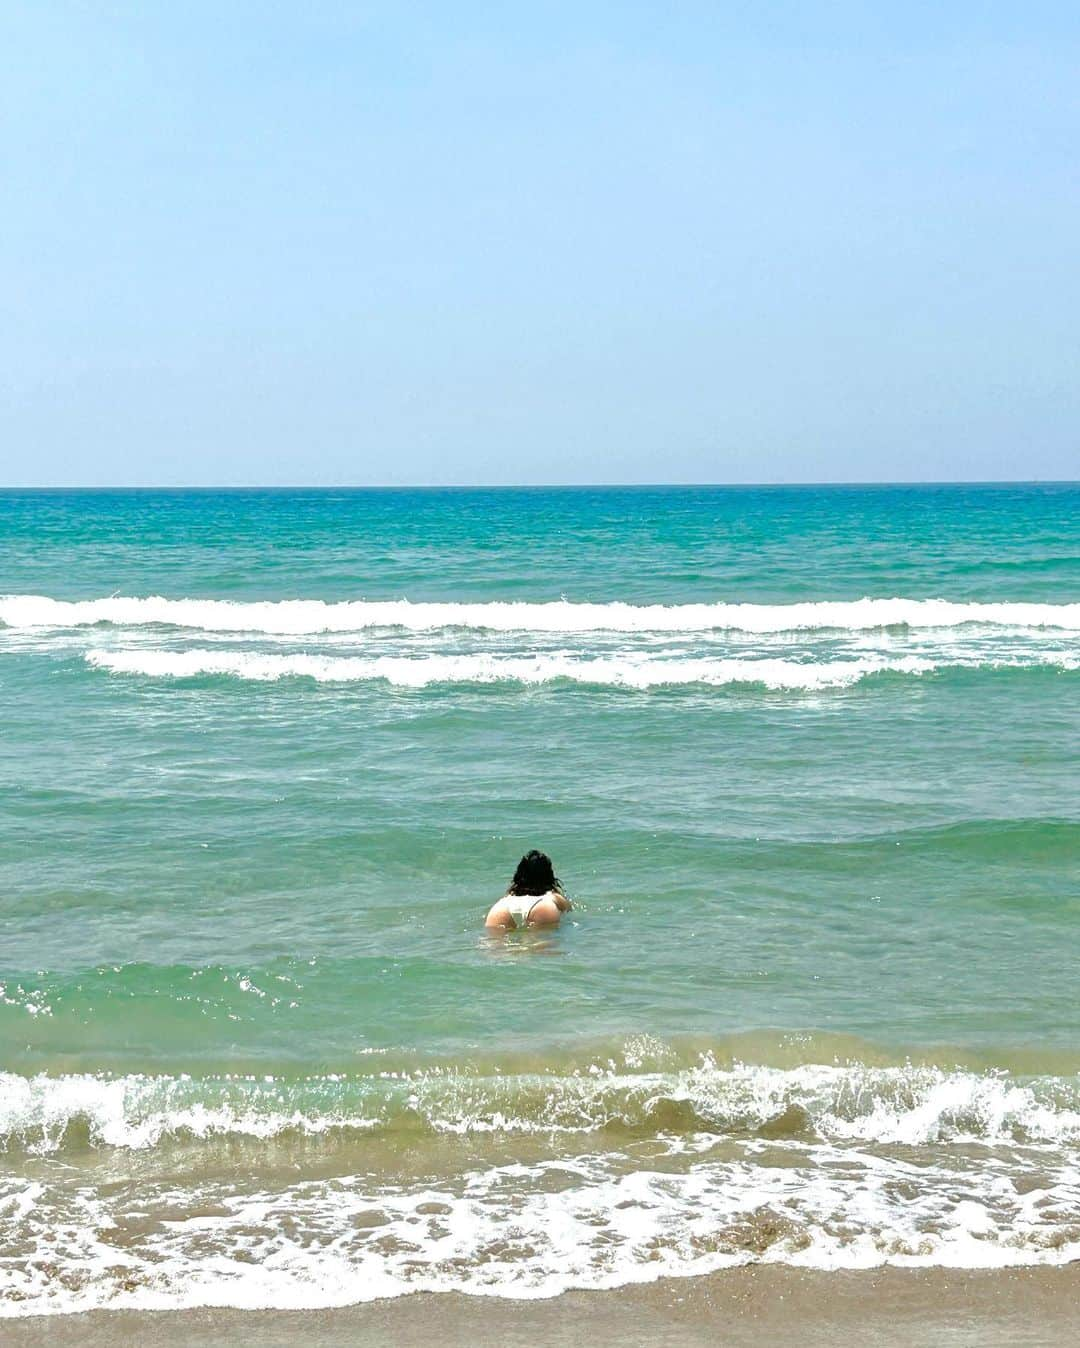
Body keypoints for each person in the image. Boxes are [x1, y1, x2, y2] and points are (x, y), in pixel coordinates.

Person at [484, 850, 572, 930]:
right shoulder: (552, 896)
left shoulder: (507, 897)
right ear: (549, 874)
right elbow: (568, 911)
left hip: (501, 910)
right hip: (542, 907)